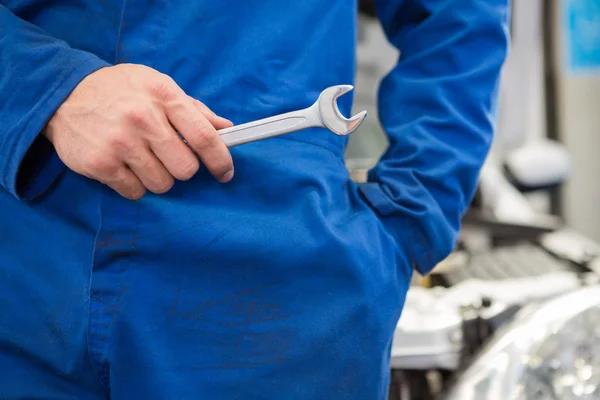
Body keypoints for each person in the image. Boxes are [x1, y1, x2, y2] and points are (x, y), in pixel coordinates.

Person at [0, 1, 509, 399]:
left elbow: (458, 18)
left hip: (283, 291)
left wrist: (411, 218)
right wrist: (48, 87)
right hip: (22, 273)